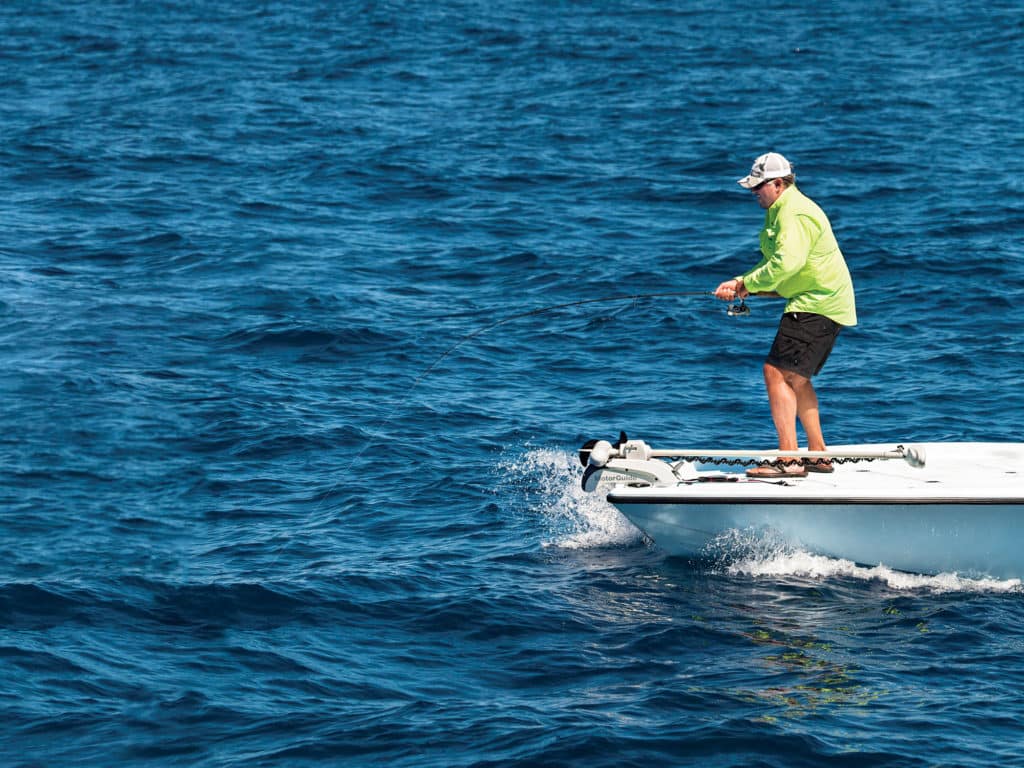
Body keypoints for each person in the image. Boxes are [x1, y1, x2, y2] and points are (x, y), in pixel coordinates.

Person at [714, 152, 857, 477]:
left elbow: (785, 265)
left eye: (758, 187)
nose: (754, 193)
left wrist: (745, 283)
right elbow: (783, 267)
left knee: (775, 373)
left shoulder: (793, 213)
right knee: (796, 377)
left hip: (816, 303)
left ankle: (789, 459)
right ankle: (817, 454)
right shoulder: (781, 211)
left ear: (778, 184)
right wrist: (743, 285)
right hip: (822, 302)